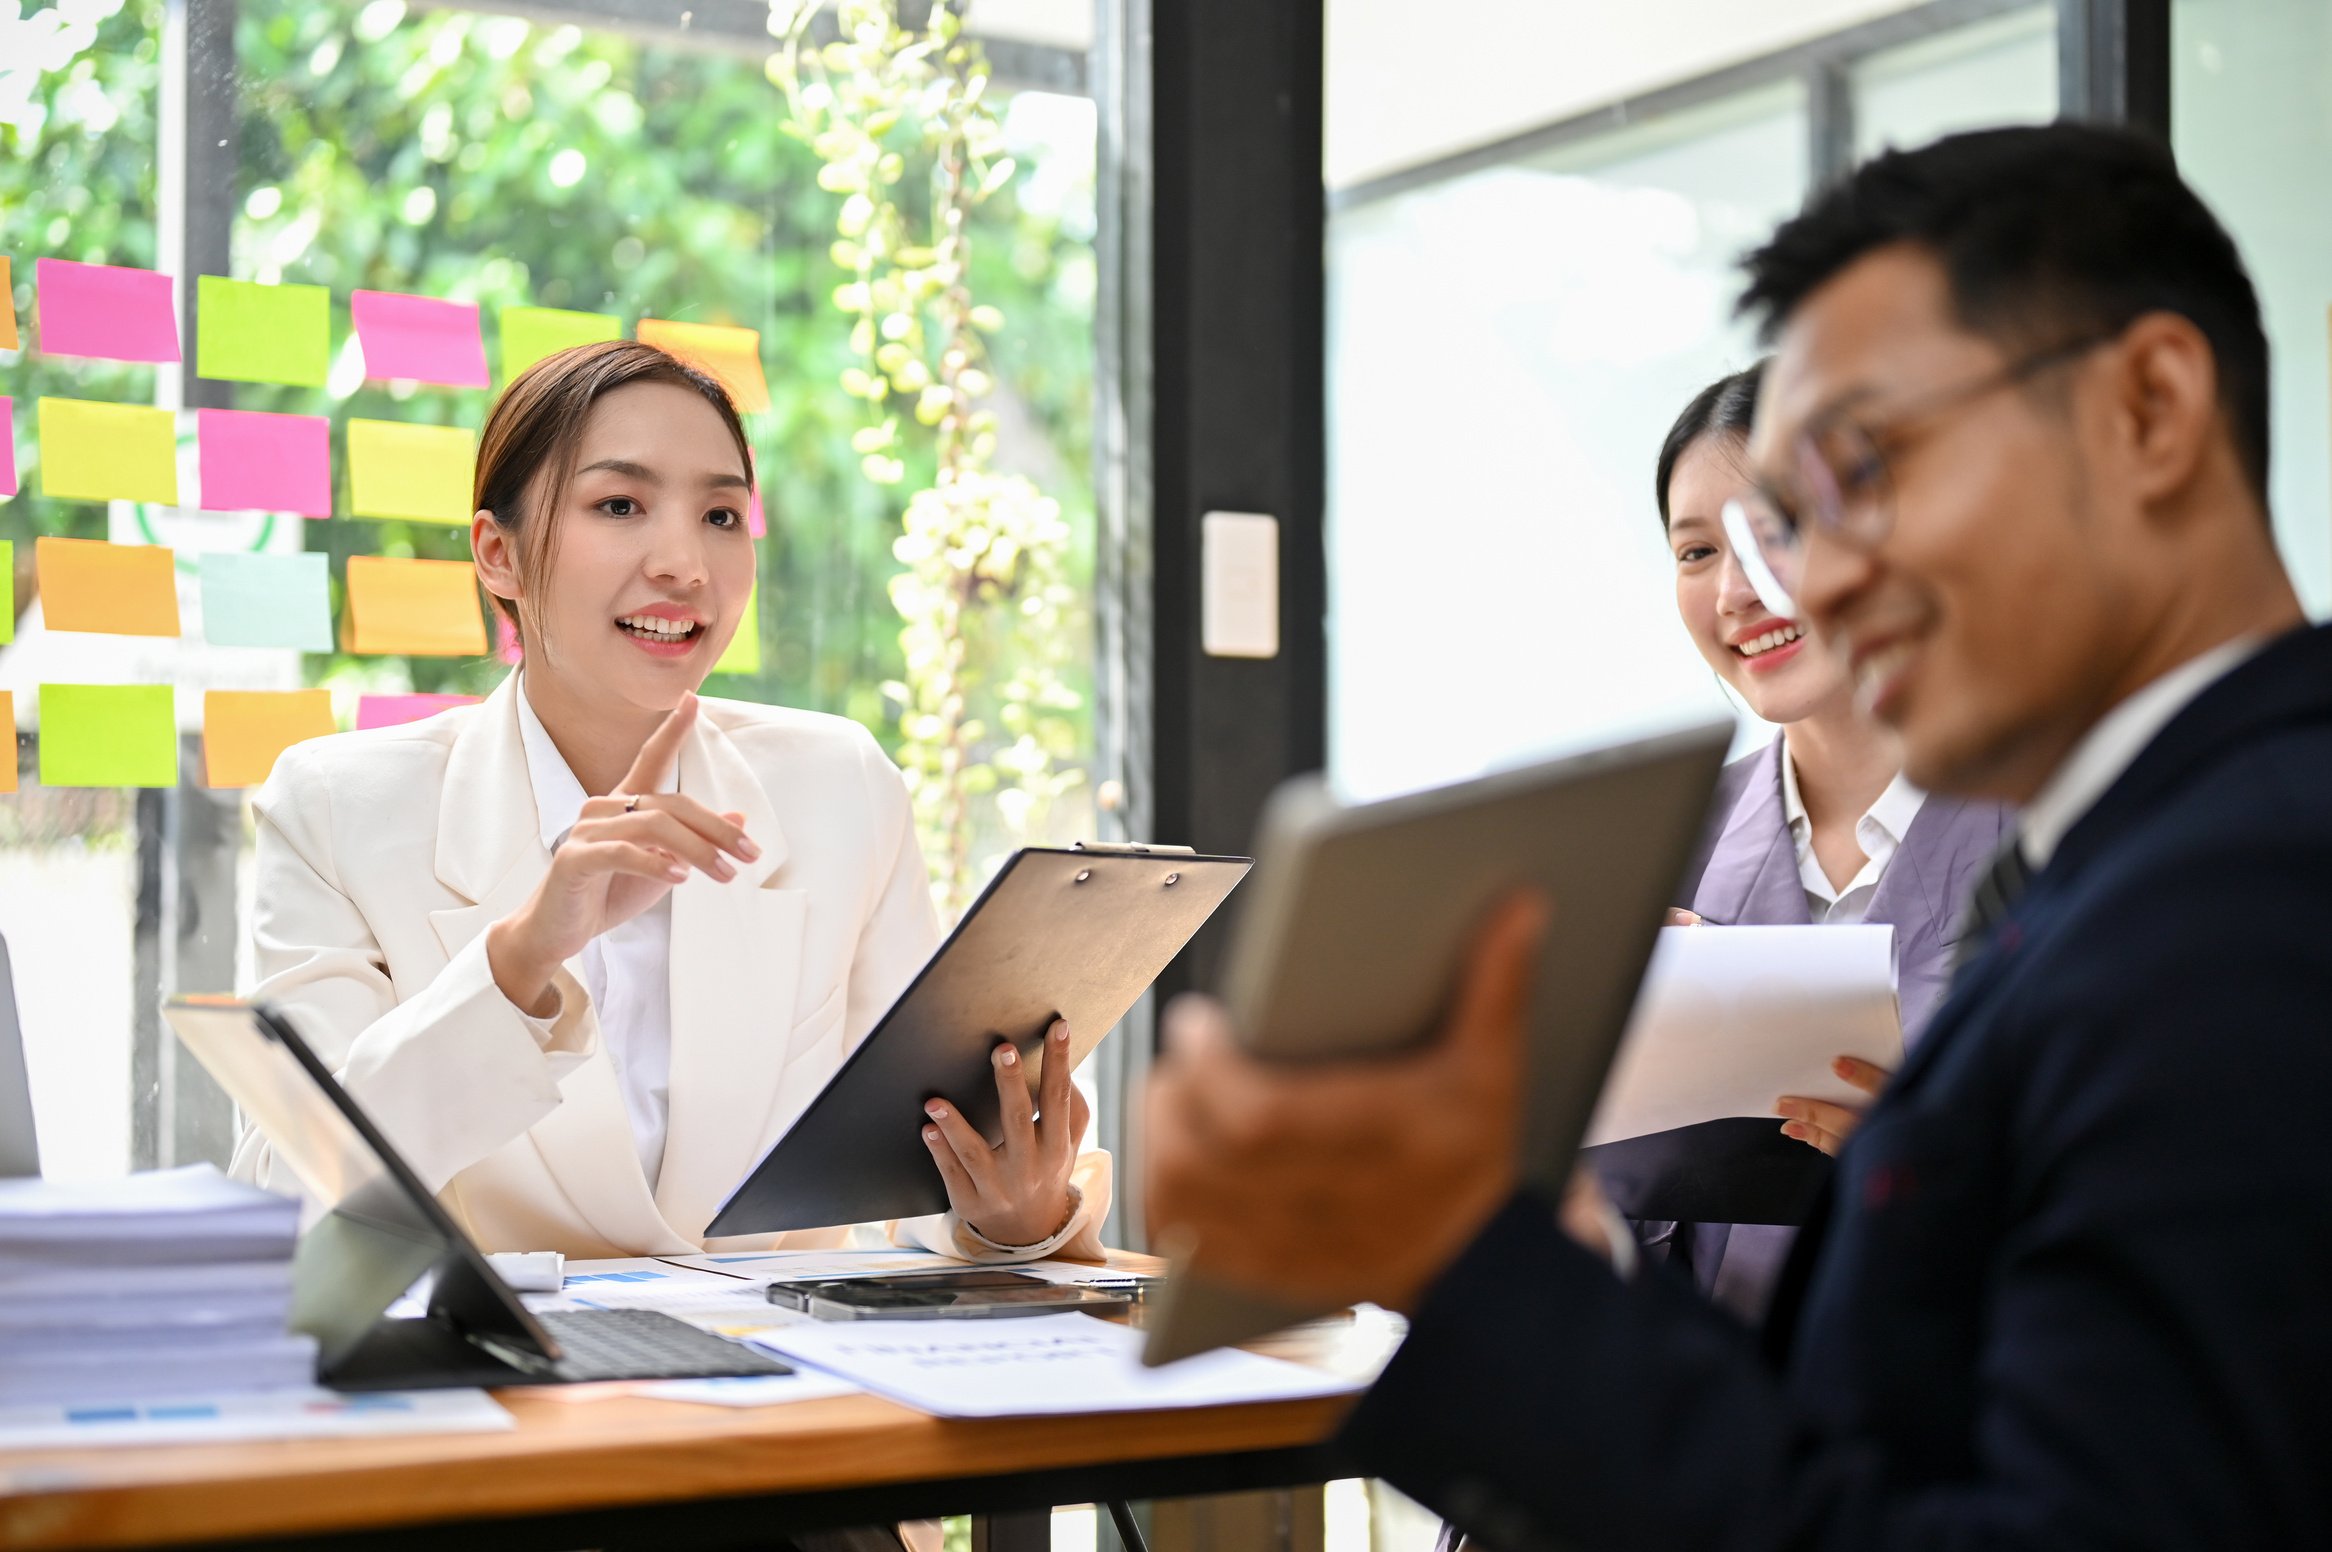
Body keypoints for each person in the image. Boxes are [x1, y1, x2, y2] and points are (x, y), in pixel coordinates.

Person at [1147, 123, 2332, 1548]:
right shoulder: (2141, 863)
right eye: (1738, 534)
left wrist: (1477, 1278)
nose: (1811, 580)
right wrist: (1555, 1253)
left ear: (2148, 407)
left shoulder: (2255, 901)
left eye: (1868, 474)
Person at [235, 340, 1109, 1264]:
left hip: (789, 1390)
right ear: (499, 554)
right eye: (620, 505)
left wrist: (1009, 1218)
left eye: (723, 514)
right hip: (497, 1386)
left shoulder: (837, 786)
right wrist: (522, 959)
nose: (687, 565)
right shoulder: (340, 807)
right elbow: (287, 1193)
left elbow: (917, 1172)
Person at [1607, 363, 2009, 1319]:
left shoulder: (2067, 837)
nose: (1737, 592)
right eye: (1697, 552)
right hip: (1708, 1428)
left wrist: (1948, 1162)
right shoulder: (1656, 851)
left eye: (1775, 532)